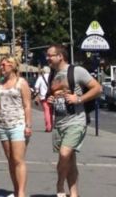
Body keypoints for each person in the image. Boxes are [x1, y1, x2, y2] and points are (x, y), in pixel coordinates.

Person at [45, 44, 102, 197]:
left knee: (64, 154)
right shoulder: (52, 74)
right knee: (70, 160)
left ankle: (59, 185)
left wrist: (79, 99)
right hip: (60, 122)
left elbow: (98, 88)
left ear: (60, 56)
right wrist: (50, 99)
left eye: (50, 55)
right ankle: (74, 193)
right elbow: (51, 95)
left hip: (76, 120)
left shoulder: (76, 71)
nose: (47, 58)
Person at [0, 56, 32, 197]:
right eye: (1, 65)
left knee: (18, 160)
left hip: (18, 124)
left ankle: (21, 193)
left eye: (4, 64)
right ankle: (16, 190)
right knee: (11, 160)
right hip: (3, 125)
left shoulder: (21, 83)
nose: (1, 67)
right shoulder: (0, 83)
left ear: (13, 66)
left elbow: (27, 105)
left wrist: (28, 125)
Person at [34, 66, 53, 132]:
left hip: (44, 97)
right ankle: (52, 125)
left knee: (46, 111)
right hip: (52, 96)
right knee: (51, 111)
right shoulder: (52, 76)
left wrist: (37, 92)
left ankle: (48, 127)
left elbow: (36, 86)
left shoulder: (41, 78)